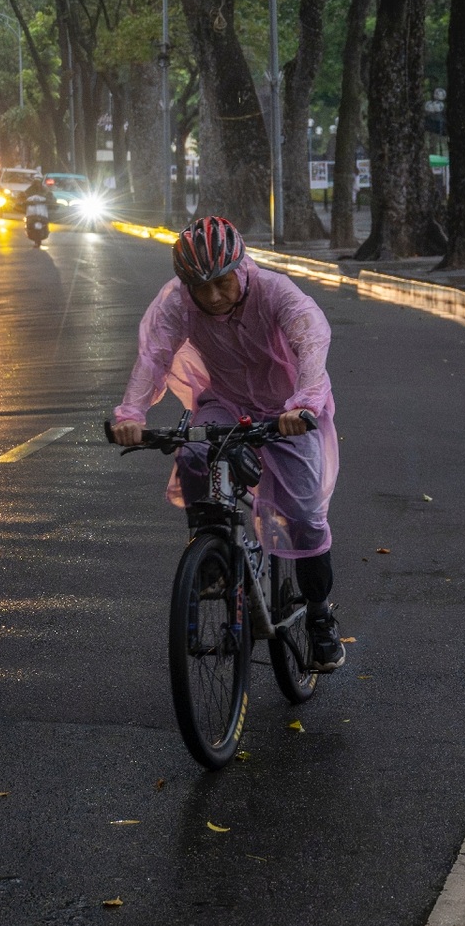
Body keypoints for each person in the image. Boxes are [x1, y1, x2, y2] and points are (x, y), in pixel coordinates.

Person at [110, 216, 345, 672]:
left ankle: (319, 616)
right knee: (194, 451)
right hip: (228, 402)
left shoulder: (276, 292)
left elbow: (311, 343)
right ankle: (215, 555)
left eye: (222, 283)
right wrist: (131, 413)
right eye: (201, 288)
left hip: (288, 409)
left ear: (241, 268)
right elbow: (154, 355)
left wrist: (304, 404)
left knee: (304, 519)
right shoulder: (179, 304)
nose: (213, 297)